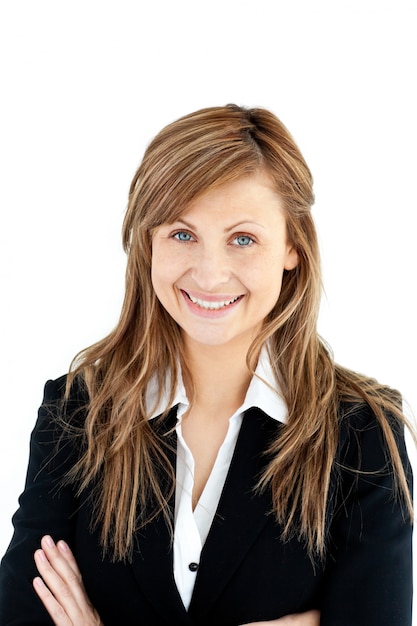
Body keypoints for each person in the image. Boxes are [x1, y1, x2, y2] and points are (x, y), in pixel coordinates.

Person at [0, 104, 413, 626]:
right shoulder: (78, 412)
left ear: (292, 246)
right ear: (147, 242)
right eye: (182, 233)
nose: (210, 273)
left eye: (243, 239)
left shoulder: (363, 434)